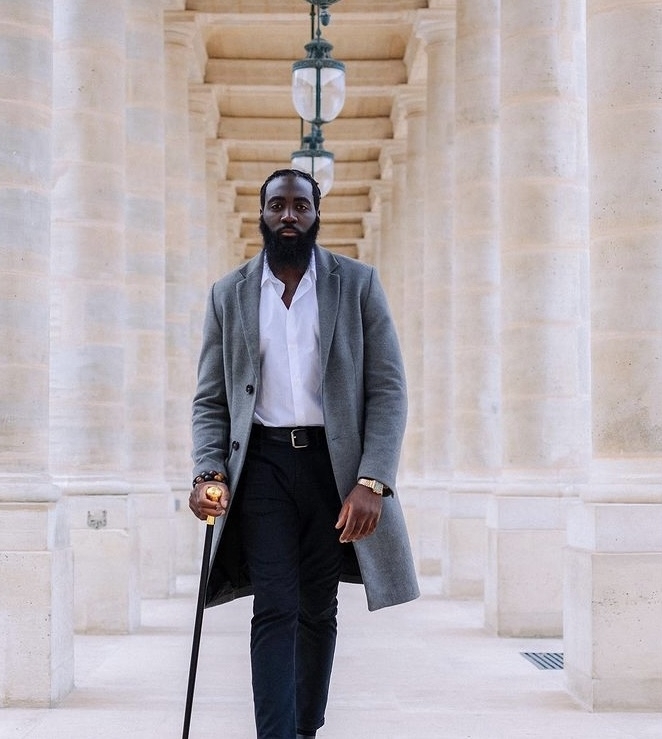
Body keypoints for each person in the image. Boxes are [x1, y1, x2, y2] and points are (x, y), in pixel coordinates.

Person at [188, 168, 419, 739]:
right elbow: (211, 399)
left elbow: (388, 389)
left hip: (331, 470)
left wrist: (373, 480)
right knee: (274, 605)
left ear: (317, 214)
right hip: (262, 468)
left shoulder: (357, 284)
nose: (288, 216)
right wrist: (207, 470)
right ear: (261, 214)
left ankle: (304, 729)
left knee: (318, 607)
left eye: (300, 206)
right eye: (277, 206)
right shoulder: (228, 293)